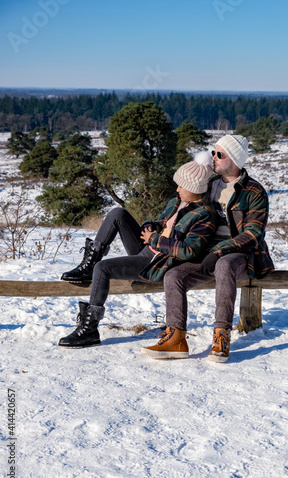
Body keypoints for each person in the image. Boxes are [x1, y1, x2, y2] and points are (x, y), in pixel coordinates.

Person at [58, 151, 218, 348]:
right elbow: (162, 223)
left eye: (181, 185)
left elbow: (188, 251)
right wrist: (150, 227)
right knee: (118, 213)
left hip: (156, 264)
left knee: (103, 268)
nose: (177, 188)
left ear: (195, 188)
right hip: (148, 249)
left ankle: (89, 329)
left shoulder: (205, 215)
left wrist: (155, 240)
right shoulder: (176, 202)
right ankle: (87, 266)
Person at [141, 134, 274, 363]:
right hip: (203, 251)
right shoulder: (210, 184)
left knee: (224, 265)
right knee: (173, 276)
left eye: (219, 154)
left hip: (240, 255)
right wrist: (161, 222)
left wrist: (220, 250)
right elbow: (183, 202)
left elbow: (253, 234)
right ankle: (176, 337)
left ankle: (221, 336)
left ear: (234, 160)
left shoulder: (254, 192)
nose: (213, 157)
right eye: (213, 151)